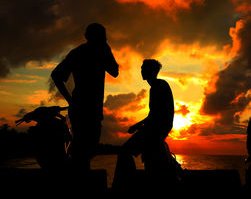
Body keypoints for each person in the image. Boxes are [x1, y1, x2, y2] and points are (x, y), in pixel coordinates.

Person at [51, 23, 119, 172]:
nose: (105, 41)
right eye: (103, 39)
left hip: (83, 107)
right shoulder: (99, 52)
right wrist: (70, 100)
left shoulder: (77, 53)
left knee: (84, 150)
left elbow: (56, 75)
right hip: (87, 108)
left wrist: (70, 99)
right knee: (84, 150)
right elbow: (115, 71)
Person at [113, 59, 175, 190]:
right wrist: (137, 125)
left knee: (125, 151)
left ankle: (125, 185)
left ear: (150, 71)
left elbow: (156, 115)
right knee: (147, 159)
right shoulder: (156, 87)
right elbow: (153, 114)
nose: (141, 71)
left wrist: (138, 126)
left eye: (143, 69)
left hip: (156, 130)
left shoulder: (159, 86)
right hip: (155, 129)